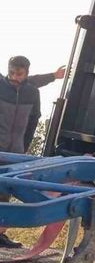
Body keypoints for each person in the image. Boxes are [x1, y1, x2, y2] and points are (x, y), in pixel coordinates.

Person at [0, 56, 42, 248]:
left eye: (19, 74)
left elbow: (34, 120)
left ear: (26, 73)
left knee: (5, 192)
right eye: (11, 73)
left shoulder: (32, 93)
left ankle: (0, 234)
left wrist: (24, 147)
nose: (14, 77)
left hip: (15, 151)